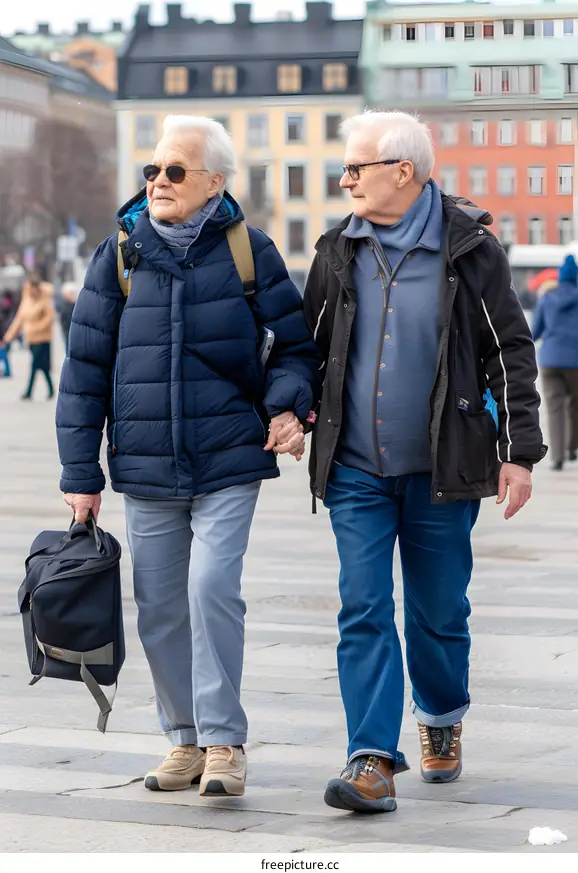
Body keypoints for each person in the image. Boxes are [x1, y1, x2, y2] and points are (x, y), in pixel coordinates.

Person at [55, 115, 320, 798]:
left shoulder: (248, 251)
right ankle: (185, 738)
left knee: (211, 588)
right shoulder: (119, 255)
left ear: (214, 183)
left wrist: (287, 406)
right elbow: (84, 371)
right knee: (160, 605)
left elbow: (295, 350)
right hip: (146, 464)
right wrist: (80, 474)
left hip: (229, 456)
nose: (158, 182)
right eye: (153, 170)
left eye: (175, 171)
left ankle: (225, 740)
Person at [303, 110, 546, 814]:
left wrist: (519, 453)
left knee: (438, 611)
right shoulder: (337, 250)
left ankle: (440, 714)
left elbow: (509, 350)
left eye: (356, 167)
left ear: (402, 171)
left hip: (445, 467)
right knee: (363, 605)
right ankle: (371, 756)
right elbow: (305, 349)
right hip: (354, 469)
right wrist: (289, 408)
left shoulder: (469, 250)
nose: (346, 180)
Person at [532, 254, 578, 471]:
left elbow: (534, 331)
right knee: (574, 403)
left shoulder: (547, 298)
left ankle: (557, 457)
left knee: (555, 407)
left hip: (550, 360)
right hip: (577, 362)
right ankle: (573, 447)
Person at [1, 276, 54, 399]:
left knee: (35, 365)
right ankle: (50, 389)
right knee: (42, 366)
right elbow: (18, 321)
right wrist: (7, 337)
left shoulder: (45, 299)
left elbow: (49, 318)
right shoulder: (26, 301)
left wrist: (36, 328)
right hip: (31, 339)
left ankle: (29, 391)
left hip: (43, 339)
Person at [0, 291, 14, 377]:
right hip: (7, 333)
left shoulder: (5, 308)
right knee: (4, 353)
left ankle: (7, 372)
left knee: (3, 353)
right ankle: (7, 371)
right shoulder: (8, 307)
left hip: (5, 334)